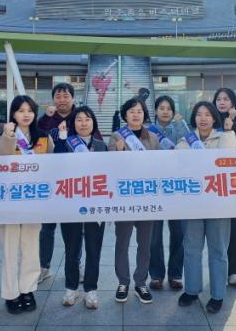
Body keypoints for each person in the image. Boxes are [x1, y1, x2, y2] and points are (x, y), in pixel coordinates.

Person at [0, 95, 54, 314]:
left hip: (33, 201)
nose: (26, 114)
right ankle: (11, 294)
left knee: (31, 248)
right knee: (10, 249)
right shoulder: (2, 136)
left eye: (29, 110)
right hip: (8, 201)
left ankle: (28, 289)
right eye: (21, 110)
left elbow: (53, 166)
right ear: (13, 114)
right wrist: (8, 137)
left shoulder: (44, 137)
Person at [177, 101, 236, 313]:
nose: (203, 118)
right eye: (199, 114)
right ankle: (192, 290)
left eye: (207, 114)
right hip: (192, 204)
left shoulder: (224, 137)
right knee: (191, 248)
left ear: (214, 118)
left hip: (218, 204)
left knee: (218, 249)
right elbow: (178, 164)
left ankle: (218, 294)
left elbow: (229, 158)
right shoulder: (185, 141)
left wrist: (228, 131)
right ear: (194, 118)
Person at [36, 83, 99, 283]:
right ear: (53, 99)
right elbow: (36, 137)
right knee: (47, 227)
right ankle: (43, 266)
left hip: (75, 185)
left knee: (75, 229)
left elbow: (97, 144)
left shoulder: (81, 116)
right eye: (58, 96)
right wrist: (46, 118)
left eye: (66, 96)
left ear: (73, 98)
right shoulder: (46, 119)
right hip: (50, 182)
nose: (62, 99)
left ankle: (76, 265)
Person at [54, 106, 107, 309]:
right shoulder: (66, 143)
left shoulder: (101, 146)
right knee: (71, 248)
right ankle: (71, 287)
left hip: (95, 204)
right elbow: (56, 163)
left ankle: (91, 290)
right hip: (70, 203)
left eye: (87, 119)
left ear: (93, 122)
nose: (83, 123)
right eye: (79, 119)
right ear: (73, 124)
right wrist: (61, 138)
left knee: (94, 248)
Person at [108, 97, 160, 304]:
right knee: (122, 242)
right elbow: (109, 167)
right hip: (124, 198)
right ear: (125, 115)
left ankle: (140, 282)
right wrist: (119, 151)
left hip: (146, 197)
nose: (136, 114)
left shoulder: (153, 138)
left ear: (144, 114)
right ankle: (123, 282)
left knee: (145, 245)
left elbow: (159, 166)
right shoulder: (117, 136)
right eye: (131, 111)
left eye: (139, 111)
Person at [146, 95, 187, 291]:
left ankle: (175, 274)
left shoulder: (180, 127)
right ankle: (156, 275)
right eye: (161, 108)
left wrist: (180, 124)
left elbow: (188, 146)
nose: (165, 111)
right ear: (155, 111)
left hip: (176, 187)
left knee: (179, 233)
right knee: (154, 236)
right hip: (154, 187)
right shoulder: (147, 131)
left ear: (173, 111)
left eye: (168, 108)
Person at [212, 88, 236, 287]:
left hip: (233, 184)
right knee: (215, 231)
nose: (222, 102)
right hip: (212, 184)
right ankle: (219, 270)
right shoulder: (210, 122)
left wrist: (230, 126)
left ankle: (235, 270)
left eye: (226, 99)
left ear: (233, 102)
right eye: (219, 99)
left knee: (233, 228)